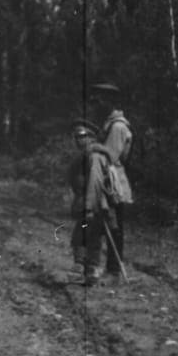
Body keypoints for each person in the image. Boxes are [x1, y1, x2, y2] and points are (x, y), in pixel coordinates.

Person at [91, 82, 134, 280]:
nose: (96, 104)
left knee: (114, 226)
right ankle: (109, 267)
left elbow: (112, 156)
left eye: (100, 100)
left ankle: (114, 269)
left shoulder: (117, 126)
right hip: (107, 179)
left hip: (113, 182)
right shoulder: (109, 123)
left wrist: (95, 148)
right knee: (107, 223)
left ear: (109, 102)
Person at [69, 117, 118, 286]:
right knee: (87, 237)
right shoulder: (86, 155)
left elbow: (95, 182)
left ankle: (88, 271)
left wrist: (89, 207)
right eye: (75, 136)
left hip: (94, 204)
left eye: (81, 135)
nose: (77, 139)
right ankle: (88, 271)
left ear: (90, 136)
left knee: (85, 237)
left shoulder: (94, 156)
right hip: (89, 203)